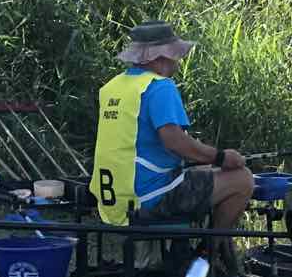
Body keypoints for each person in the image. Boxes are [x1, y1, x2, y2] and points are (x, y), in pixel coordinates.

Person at [92, 20, 254, 247]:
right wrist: (221, 157)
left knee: (204, 169)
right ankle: (208, 255)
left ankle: (190, 253)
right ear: (161, 57)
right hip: (150, 199)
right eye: (174, 53)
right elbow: (175, 141)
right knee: (242, 179)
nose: (178, 58)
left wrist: (207, 162)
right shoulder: (159, 86)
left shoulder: (113, 87)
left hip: (115, 199)